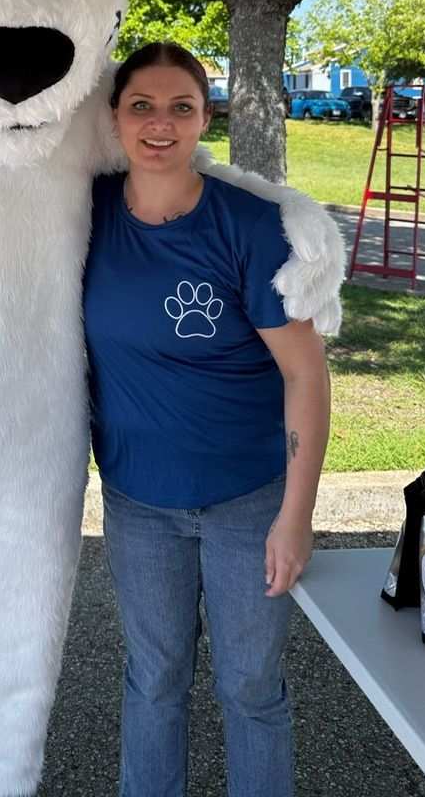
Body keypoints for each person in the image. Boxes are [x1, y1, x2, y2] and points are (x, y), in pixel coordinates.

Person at [84, 41, 331, 797]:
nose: (161, 124)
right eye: (142, 107)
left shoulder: (249, 227)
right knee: (153, 682)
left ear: (204, 118)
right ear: (115, 118)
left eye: (181, 108)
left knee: (251, 689)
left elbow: (305, 373)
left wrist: (296, 516)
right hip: (137, 503)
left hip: (246, 504)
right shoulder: (83, 214)